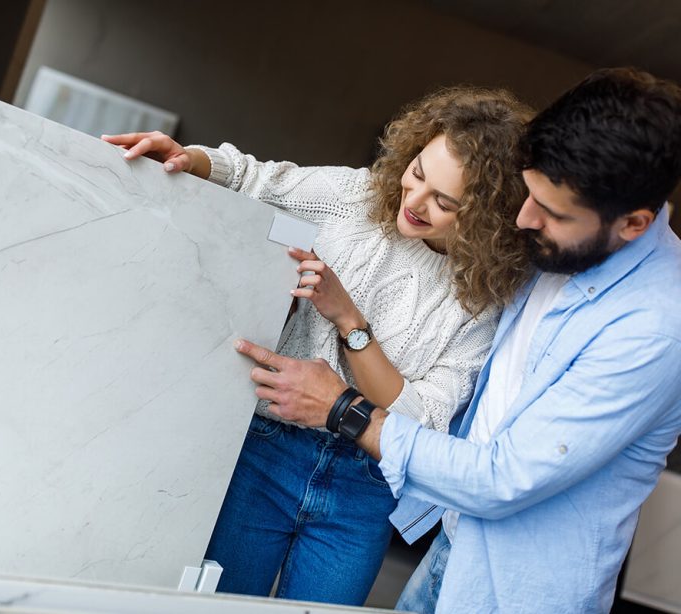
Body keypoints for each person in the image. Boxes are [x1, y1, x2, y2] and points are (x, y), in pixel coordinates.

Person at [232, 66, 681, 613]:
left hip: (517, 590)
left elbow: (502, 479)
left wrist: (341, 405)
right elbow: (262, 180)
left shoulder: (654, 330)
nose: (522, 218)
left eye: (550, 210)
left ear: (632, 224)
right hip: (451, 548)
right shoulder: (560, 249)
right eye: (528, 192)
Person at [102, 87, 532, 605]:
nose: (413, 202)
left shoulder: (483, 298)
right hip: (265, 451)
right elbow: (252, 177)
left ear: (485, 215)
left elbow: (421, 422)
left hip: (365, 490)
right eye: (417, 172)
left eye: (444, 202)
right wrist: (188, 158)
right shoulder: (356, 197)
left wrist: (348, 318)